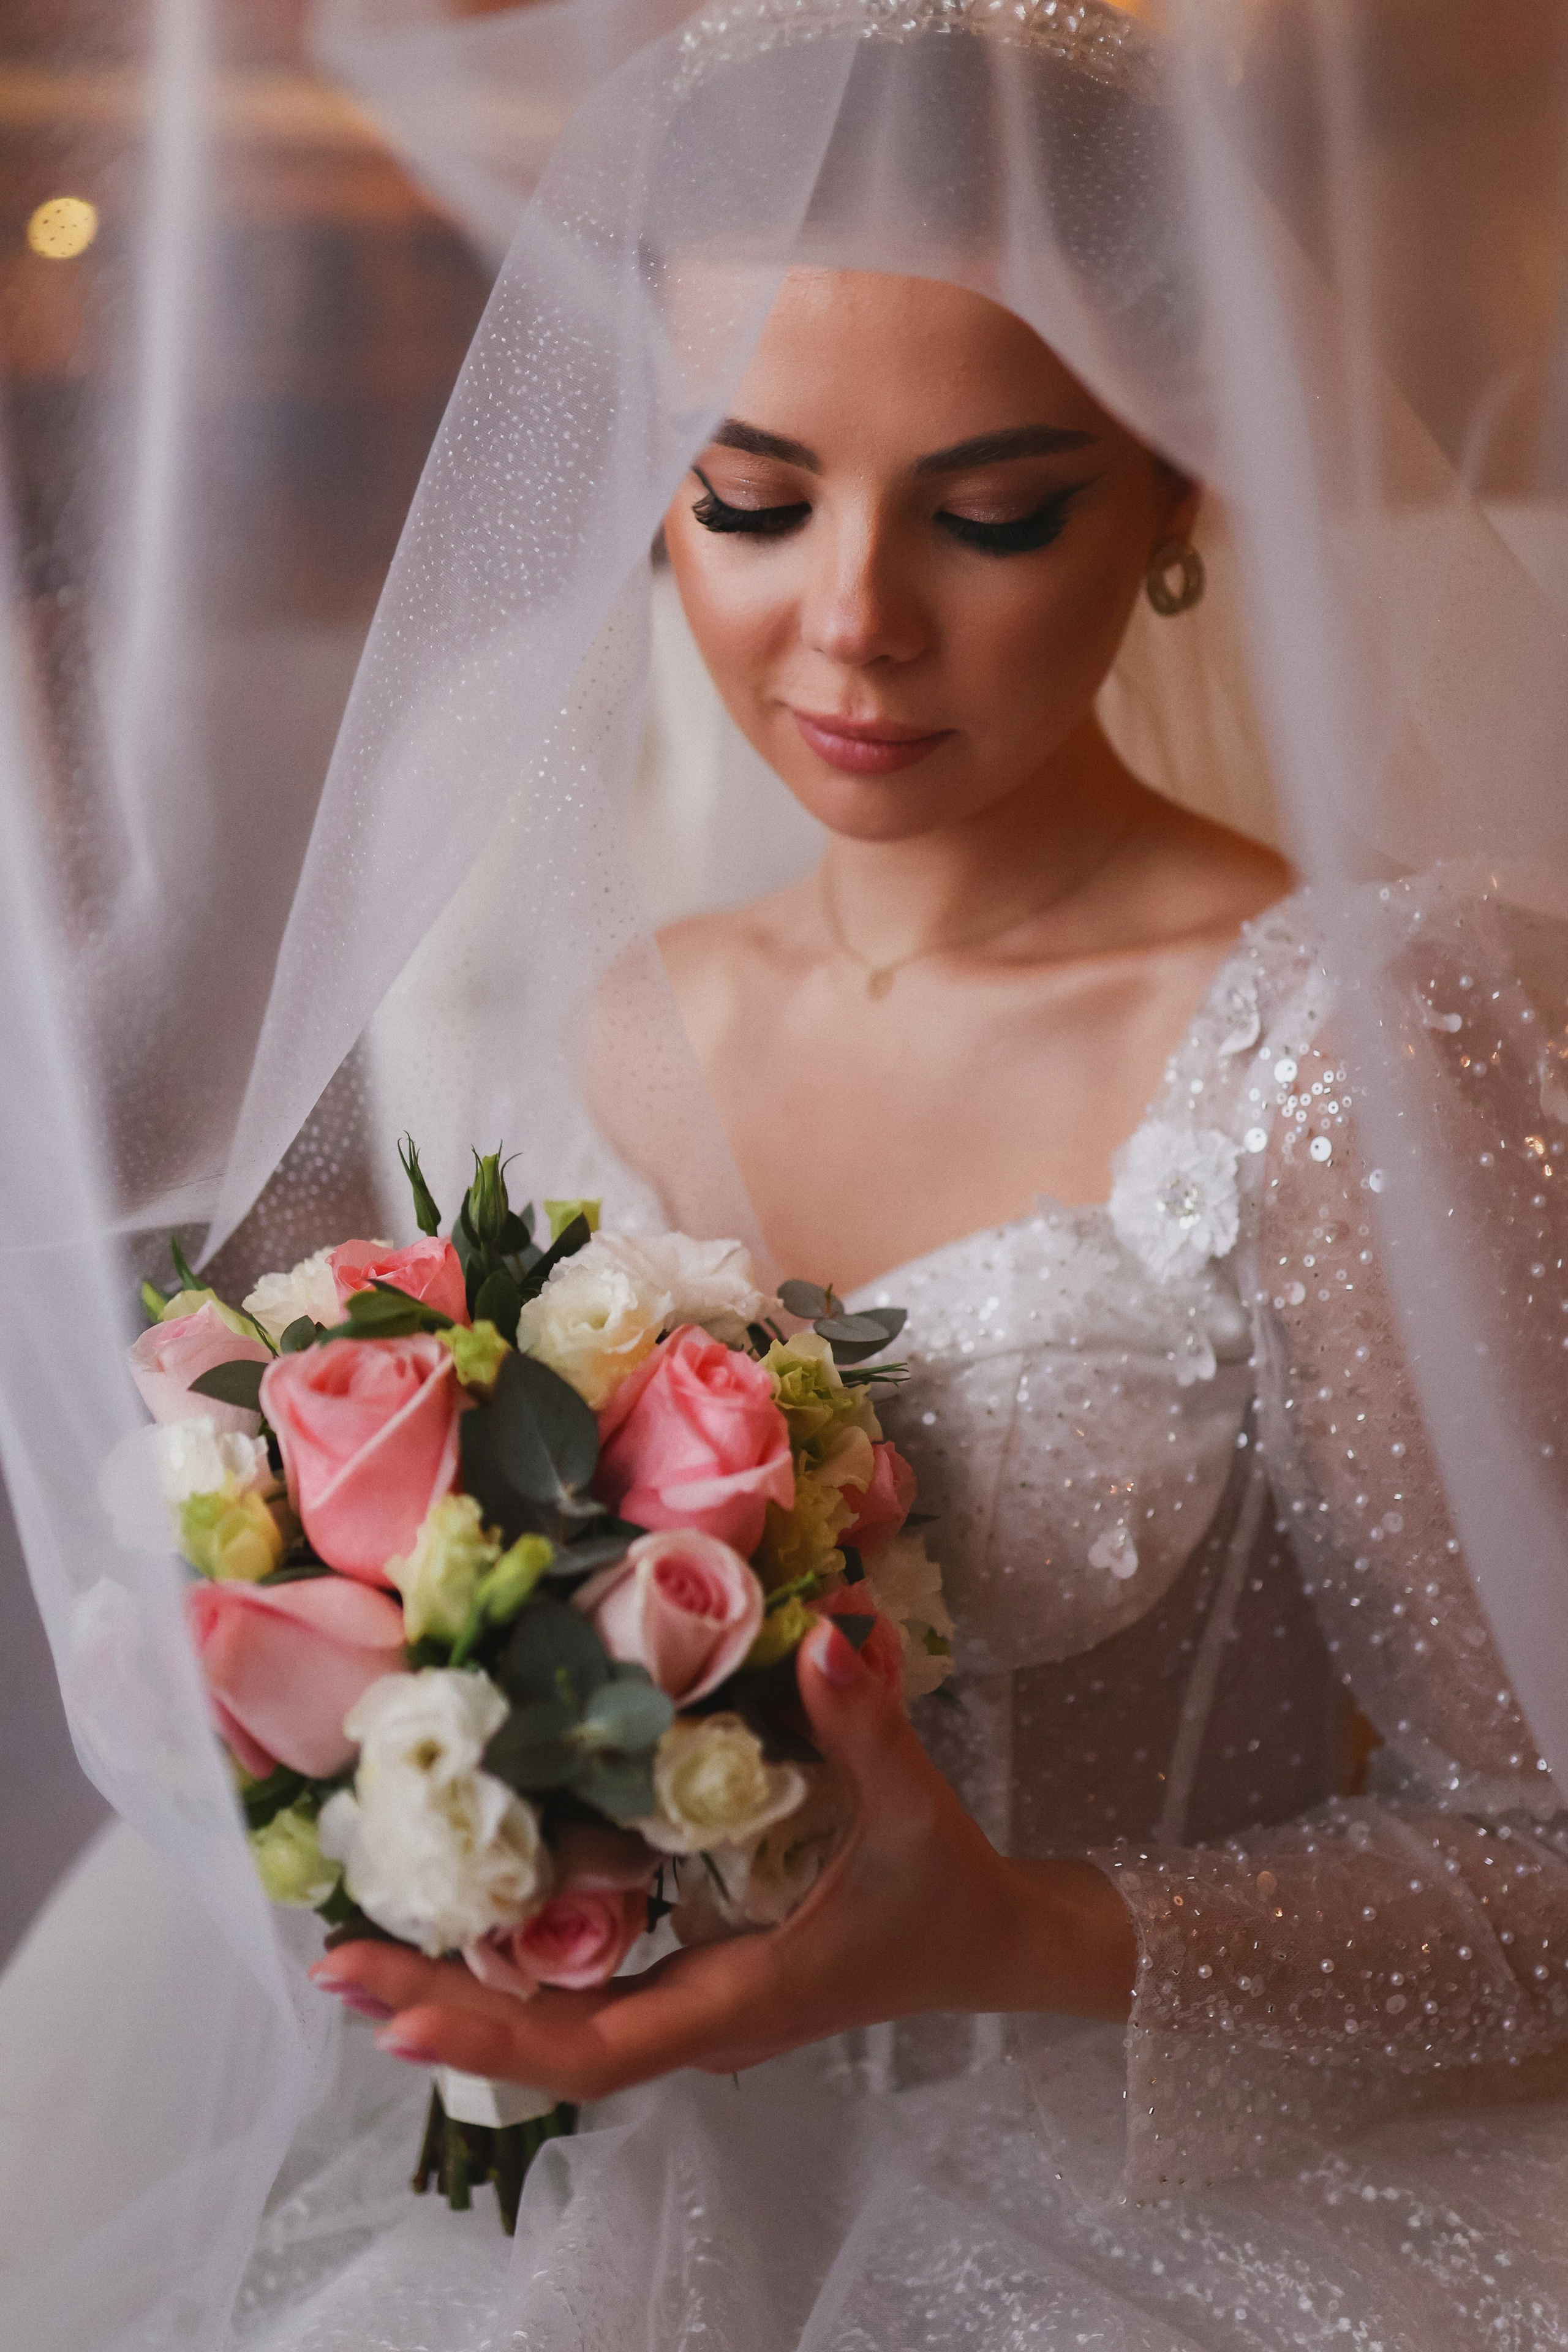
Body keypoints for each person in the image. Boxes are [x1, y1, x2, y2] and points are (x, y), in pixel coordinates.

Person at [5, 4, 1568, 2347]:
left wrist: (1021, 1937)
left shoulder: (1355, 1040)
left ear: (1178, 494)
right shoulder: (502, 1008)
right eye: (748, 495)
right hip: (549, 2209)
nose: (850, 621)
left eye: (993, 509)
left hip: (1143, 2224)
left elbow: (1539, 1868)